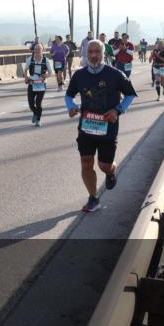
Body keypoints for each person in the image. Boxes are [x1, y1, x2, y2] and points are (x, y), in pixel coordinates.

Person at [66, 40, 138, 212]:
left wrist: (118, 110)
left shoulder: (115, 74)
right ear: (86, 54)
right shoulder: (79, 75)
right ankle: (93, 197)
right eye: (90, 51)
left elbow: (130, 94)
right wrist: (71, 107)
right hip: (86, 126)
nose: (93, 55)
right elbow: (69, 95)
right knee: (86, 162)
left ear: (103, 53)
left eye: (97, 51)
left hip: (108, 127)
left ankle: (111, 171)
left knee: (103, 165)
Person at [25, 43, 51, 126]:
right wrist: (26, 77)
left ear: (42, 50)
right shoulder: (30, 59)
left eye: (39, 49)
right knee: (31, 103)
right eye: (36, 49)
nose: (37, 51)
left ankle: (38, 119)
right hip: (32, 82)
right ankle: (36, 113)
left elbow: (50, 72)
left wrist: (45, 76)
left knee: (38, 103)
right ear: (34, 50)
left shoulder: (46, 60)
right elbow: (25, 70)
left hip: (41, 84)